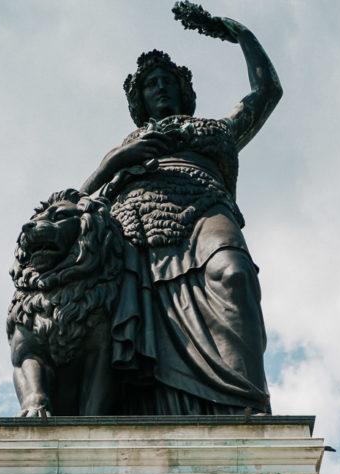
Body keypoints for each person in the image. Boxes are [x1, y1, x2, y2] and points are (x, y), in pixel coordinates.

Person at [80, 3, 282, 415]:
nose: (160, 87)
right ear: (140, 98)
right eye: (151, 83)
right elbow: (79, 204)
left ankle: (247, 405)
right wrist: (116, 161)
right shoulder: (125, 148)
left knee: (235, 274)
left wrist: (235, 31)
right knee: (133, 317)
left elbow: (268, 92)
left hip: (206, 208)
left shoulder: (217, 130)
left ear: (184, 90)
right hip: (138, 229)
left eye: (168, 80)